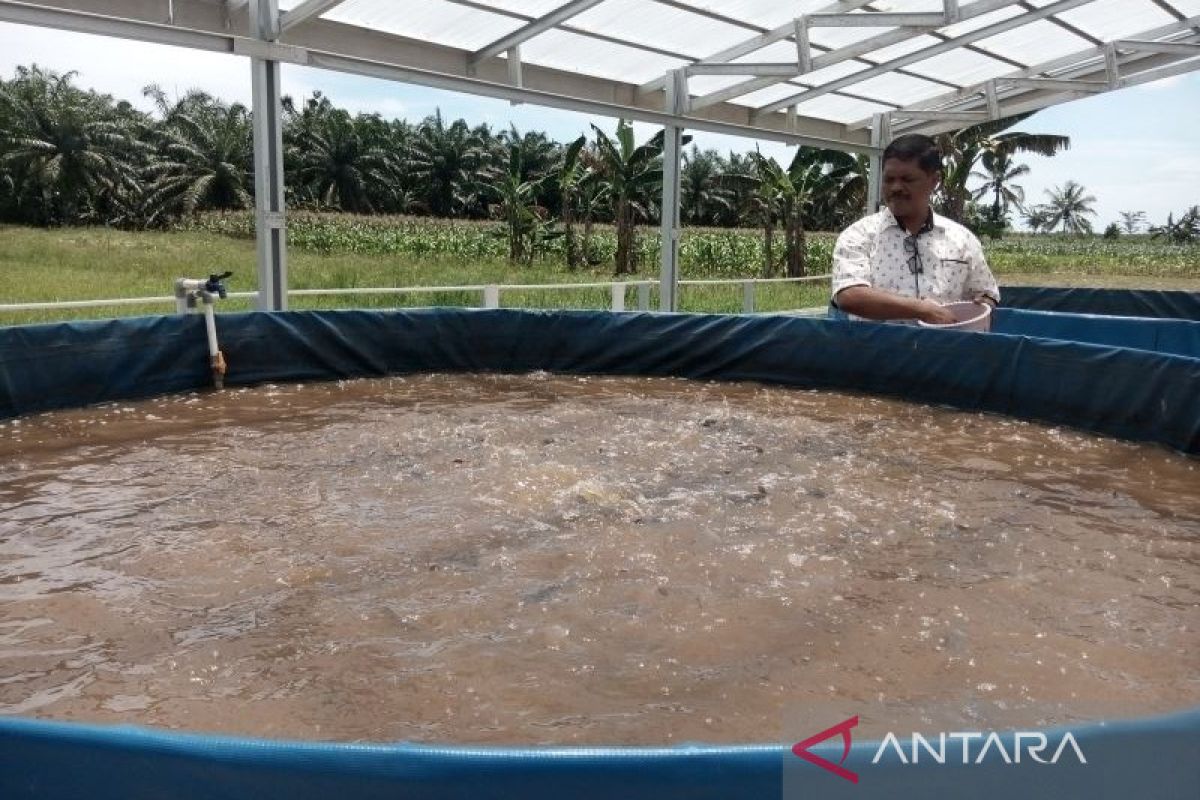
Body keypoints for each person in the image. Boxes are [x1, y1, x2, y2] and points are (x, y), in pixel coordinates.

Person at [831, 133, 999, 324]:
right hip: (878, 351)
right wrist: (920, 310)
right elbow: (850, 296)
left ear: (935, 181)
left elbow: (986, 293)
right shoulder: (859, 235)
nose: (896, 187)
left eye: (907, 179)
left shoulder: (962, 239)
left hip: (943, 350)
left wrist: (984, 303)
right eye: (889, 179)